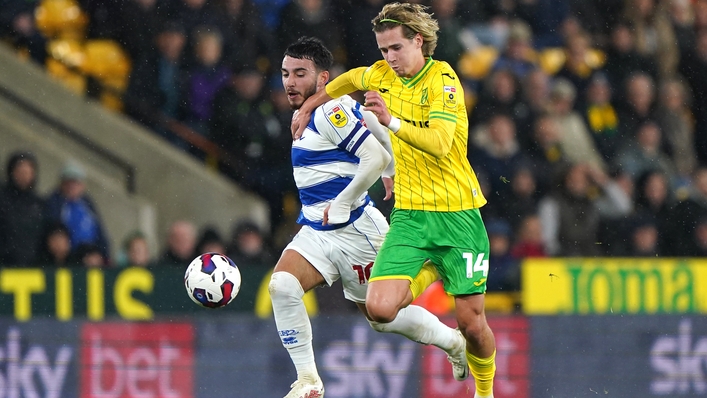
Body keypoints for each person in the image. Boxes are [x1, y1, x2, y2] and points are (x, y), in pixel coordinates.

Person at [292, 4, 497, 397]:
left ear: (418, 41)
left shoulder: (444, 79)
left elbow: (439, 143)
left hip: (458, 217)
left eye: (395, 49)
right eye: (383, 49)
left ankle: (485, 392)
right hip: (410, 218)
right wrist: (309, 105)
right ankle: (435, 269)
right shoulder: (381, 74)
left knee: (472, 323)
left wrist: (391, 122)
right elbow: (349, 78)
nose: (388, 58)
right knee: (379, 309)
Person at [45, 161, 110, 261]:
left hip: (90, 257)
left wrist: (102, 254)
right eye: (68, 183)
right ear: (61, 184)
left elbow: (100, 232)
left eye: (76, 183)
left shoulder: (88, 204)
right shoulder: (54, 204)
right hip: (68, 259)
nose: (72, 187)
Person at [0, 151, 45, 266]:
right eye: (20, 171)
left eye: (28, 172)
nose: (24, 175)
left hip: (31, 266)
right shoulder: (3, 199)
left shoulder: (39, 204)